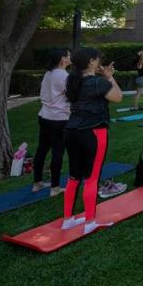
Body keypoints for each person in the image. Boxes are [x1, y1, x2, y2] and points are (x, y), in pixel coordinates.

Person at [61, 47, 123, 234]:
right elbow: (118, 97)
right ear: (91, 62)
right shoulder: (98, 83)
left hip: (71, 131)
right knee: (92, 178)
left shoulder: (72, 80)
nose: (99, 62)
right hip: (93, 132)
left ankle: (68, 220)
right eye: (97, 59)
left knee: (73, 177)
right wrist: (109, 77)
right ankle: (89, 222)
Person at [33, 48, 70, 196]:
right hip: (59, 119)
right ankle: (55, 187)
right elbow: (72, 95)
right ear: (62, 59)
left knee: (42, 149)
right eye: (68, 55)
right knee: (57, 151)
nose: (70, 57)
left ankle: (37, 182)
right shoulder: (63, 75)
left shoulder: (48, 74)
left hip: (44, 116)